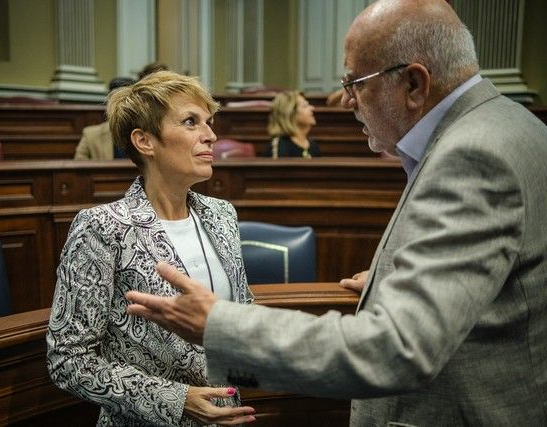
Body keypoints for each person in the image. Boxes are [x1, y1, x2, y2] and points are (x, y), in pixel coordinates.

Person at [124, 0, 547, 425]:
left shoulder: (471, 156)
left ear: (415, 85)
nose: (345, 101)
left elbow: (396, 349)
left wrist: (218, 326)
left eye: (355, 82)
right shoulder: (514, 125)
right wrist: (396, 281)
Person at [47, 70, 256, 426]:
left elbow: (243, 308)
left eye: (209, 122)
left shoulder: (222, 214)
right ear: (145, 141)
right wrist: (177, 400)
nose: (211, 136)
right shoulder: (100, 227)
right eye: (191, 122)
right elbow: (69, 359)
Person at [74, 77, 136, 160]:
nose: (120, 109)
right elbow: (78, 168)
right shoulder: (91, 135)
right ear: (108, 105)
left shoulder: (148, 134)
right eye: (115, 103)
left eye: (126, 103)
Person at [264, 90, 320, 158]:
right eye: (305, 106)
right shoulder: (279, 147)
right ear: (290, 114)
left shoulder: (313, 145)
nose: (312, 108)